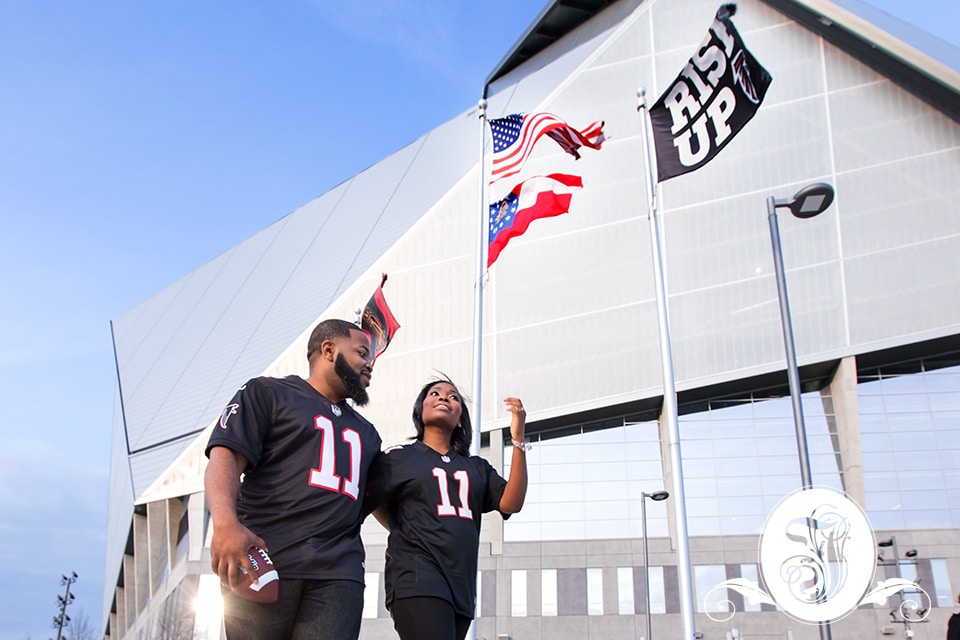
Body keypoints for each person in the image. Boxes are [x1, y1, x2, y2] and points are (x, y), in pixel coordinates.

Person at [205, 318, 382, 640]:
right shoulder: (268, 392)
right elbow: (226, 457)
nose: (369, 363)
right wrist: (225, 523)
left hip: (339, 572)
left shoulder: (369, 435)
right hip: (268, 556)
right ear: (328, 349)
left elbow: (381, 501)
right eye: (362, 352)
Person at [366, 376, 528, 640]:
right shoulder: (398, 457)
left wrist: (518, 441)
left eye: (453, 397)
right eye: (435, 393)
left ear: (461, 419)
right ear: (420, 411)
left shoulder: (477, 467)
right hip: (417, 577)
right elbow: (369, 499)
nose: (444, 398)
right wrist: (404, 526)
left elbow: (512, 502)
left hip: (461, 586)